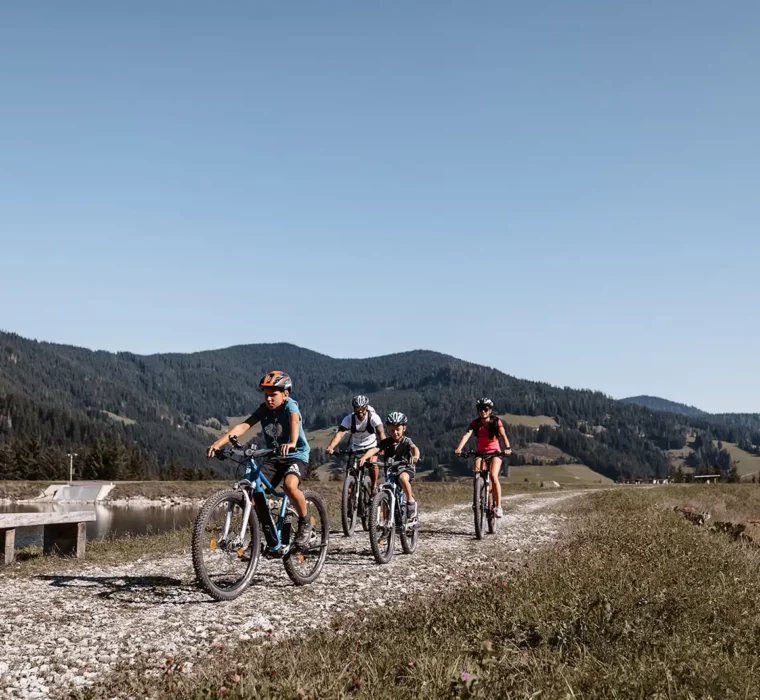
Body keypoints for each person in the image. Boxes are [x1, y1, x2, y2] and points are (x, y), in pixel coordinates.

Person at [207, 370, 312, 549]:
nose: (269, 399)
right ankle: (257, 541)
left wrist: (292, 442)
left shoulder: (290, 406)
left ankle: (305, 523)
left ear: (285, 394)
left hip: (296, 456)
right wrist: (218, 443)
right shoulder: (264, 409)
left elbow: (294, 420)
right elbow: (244, 426)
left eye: (273, 395)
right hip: (275, 457)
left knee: (289, 486)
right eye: (266, 395)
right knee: (251, 492)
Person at [454, 398, 511, 517]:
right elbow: (467, 435)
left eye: (485, 409)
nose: (483, 411)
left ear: (490, 410)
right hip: (480, 453)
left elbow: (503, 434)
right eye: (480, 409)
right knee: (477, 471)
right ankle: (477, 496)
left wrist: (508, 447)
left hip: (495, 453)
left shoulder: (496, 421)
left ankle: (499, 506)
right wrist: (459, 448)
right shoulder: (475, 423)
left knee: (494, 475)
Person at [359, 411, 420, 521]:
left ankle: (410, 501)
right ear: (388, 430)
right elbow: (375, 449)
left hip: (406, 468)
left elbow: (414, 448)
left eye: (398, 429)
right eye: (392, 430)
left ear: (404, 429)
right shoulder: (386, 442)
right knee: (387, 489)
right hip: (391, 469)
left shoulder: (406, 441)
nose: (395, 432)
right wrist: (364, 457)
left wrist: (415, 456)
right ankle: (388, 522)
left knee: (402, 478)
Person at [325, 395, 387, 491]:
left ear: (366, 408)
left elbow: (381, 433)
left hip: (371, 446)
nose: (360, 411)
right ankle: (349, 495)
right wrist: (331, 446)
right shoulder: (349, 419)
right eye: (358, 409)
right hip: (356, 447)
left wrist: (382, 447)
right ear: (354, 409)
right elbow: (340, 434)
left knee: (372, 463)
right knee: (351, 471)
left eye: (362, 409)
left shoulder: (373, 417)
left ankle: (373, 487)